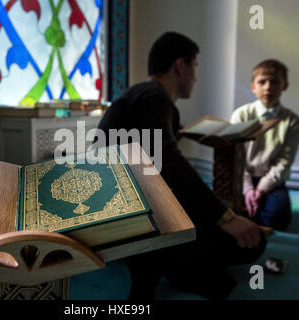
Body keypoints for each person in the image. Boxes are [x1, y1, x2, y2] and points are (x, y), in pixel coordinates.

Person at [97, 32, 266, 299]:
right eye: (195, 67)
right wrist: (226, 217)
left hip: (125, 207)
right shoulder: (155, 97)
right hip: (135, 218)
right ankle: (162, 260)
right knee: (251, 242)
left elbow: (151, 157)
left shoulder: (143, 94)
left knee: (241, 238)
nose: (196, 77)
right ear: (180, 66)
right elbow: (169, 164)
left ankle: (168, 260)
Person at [230, 60, 299, 231]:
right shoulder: (241, 114)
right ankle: (252, 210)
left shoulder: (292, 121)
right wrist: (248, 189)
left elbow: (283, 162)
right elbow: (235, 157)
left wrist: (260, 190)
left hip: (271, 180)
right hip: (240, 177)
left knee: (279, 218)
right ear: (253, 87)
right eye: (262, 82)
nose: (268, 87)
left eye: (275, 81)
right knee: (224, 211)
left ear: (285, 86)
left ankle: (254, 210)